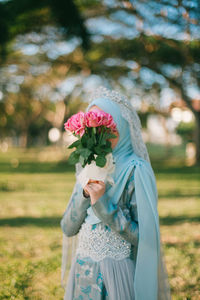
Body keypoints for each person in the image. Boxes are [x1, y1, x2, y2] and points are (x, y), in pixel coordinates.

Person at [60, 86, 171, 300]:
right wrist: (85, 195)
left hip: (116, 276)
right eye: (92, 129)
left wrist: (103, 205)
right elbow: (67, 227)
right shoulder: (89, 166)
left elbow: (146, 238)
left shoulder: (135, 170)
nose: (98, 137)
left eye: (105, 128)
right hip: (82, 272)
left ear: (121, 126)